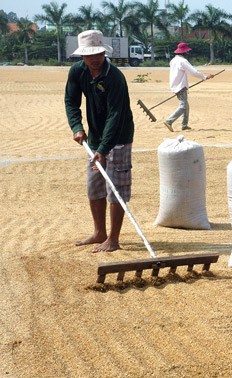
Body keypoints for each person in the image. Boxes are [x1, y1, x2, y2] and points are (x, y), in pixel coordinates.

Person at [64, 30, 135, 253]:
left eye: (98, 54)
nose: (95, 59)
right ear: (82, 56)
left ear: (104, 52)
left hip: (119, 138)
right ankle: (99, 232)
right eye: (89, 55)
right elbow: (71, 101)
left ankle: (113, 238)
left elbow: (116, 114)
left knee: (116, 187)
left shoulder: (115, 77)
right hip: (93, 139)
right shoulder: (78, 72)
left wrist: (104, 149)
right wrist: (77, 127)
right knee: (94, 186)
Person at [163, 42, 214, 132]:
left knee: (186, 105)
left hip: (175, 85)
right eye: (186, 52)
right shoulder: (183, 61)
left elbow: (187, 72)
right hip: (180, 86)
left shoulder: (173, 60)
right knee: (183, 106)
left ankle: (184, 125)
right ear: (183, 52)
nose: (187, 53)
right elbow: (193, 72)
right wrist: (205, 77)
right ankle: (169, 121)